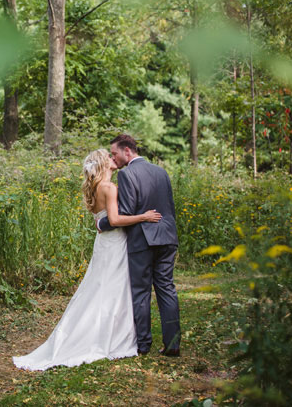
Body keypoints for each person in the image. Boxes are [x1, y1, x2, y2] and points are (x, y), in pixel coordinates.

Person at [13, 149, 161, 371]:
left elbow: (102, 221)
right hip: (114, 243)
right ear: (103, 163)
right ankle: (109, 337)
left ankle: (106, 331)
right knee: (113, 288)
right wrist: (144, 216)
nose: (114, 159)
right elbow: (115, 219)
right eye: (109, 157)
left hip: (104, 243)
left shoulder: (94, 188)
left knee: (99, 287)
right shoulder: (109, 188)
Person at [97, 134, 181, 356]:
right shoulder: (161, 171)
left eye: (114, 153)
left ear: (127, 151)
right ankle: (172, 345)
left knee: (141, 292)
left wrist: (101, 222)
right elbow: (170, 207)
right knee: (166, 289)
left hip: (143, 240)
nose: (113, 158)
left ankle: (143, 345)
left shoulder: (127, 174)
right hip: (167, 237)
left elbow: (124, 212)